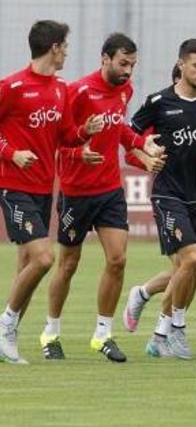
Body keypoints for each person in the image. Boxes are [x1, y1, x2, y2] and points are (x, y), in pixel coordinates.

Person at [41, 32, 161, 362]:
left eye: (133, 65)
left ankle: (103, 333)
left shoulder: (125, 90)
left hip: (109, 189)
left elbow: (118, 128)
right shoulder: (77, 91)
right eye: (123, 63)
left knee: (118, 259)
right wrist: (80, 153)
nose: (128, 71)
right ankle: (51, 332)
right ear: (105, 58)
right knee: (68, 264)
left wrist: (140, 144)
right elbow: (59, 140)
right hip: (76, 193)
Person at [0, 20, 104, 364]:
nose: (68, 52)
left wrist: (83, 131)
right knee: (45, 258)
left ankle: (7, 340)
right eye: (66, 46)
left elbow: (64, 136)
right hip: (14, 186)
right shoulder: (12, 86)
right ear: (55, 47)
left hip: (44, 189)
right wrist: (11, 153)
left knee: (26, 268)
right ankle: (6, 327)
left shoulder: (60, 88)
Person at [130, 38, 196, 360]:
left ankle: (156, 328)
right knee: (190, 260)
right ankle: (177, 327)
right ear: (181, 65)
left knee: (192, 270)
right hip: (167, 194)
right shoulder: (158, 102)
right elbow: (129, 142)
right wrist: (145, 159)